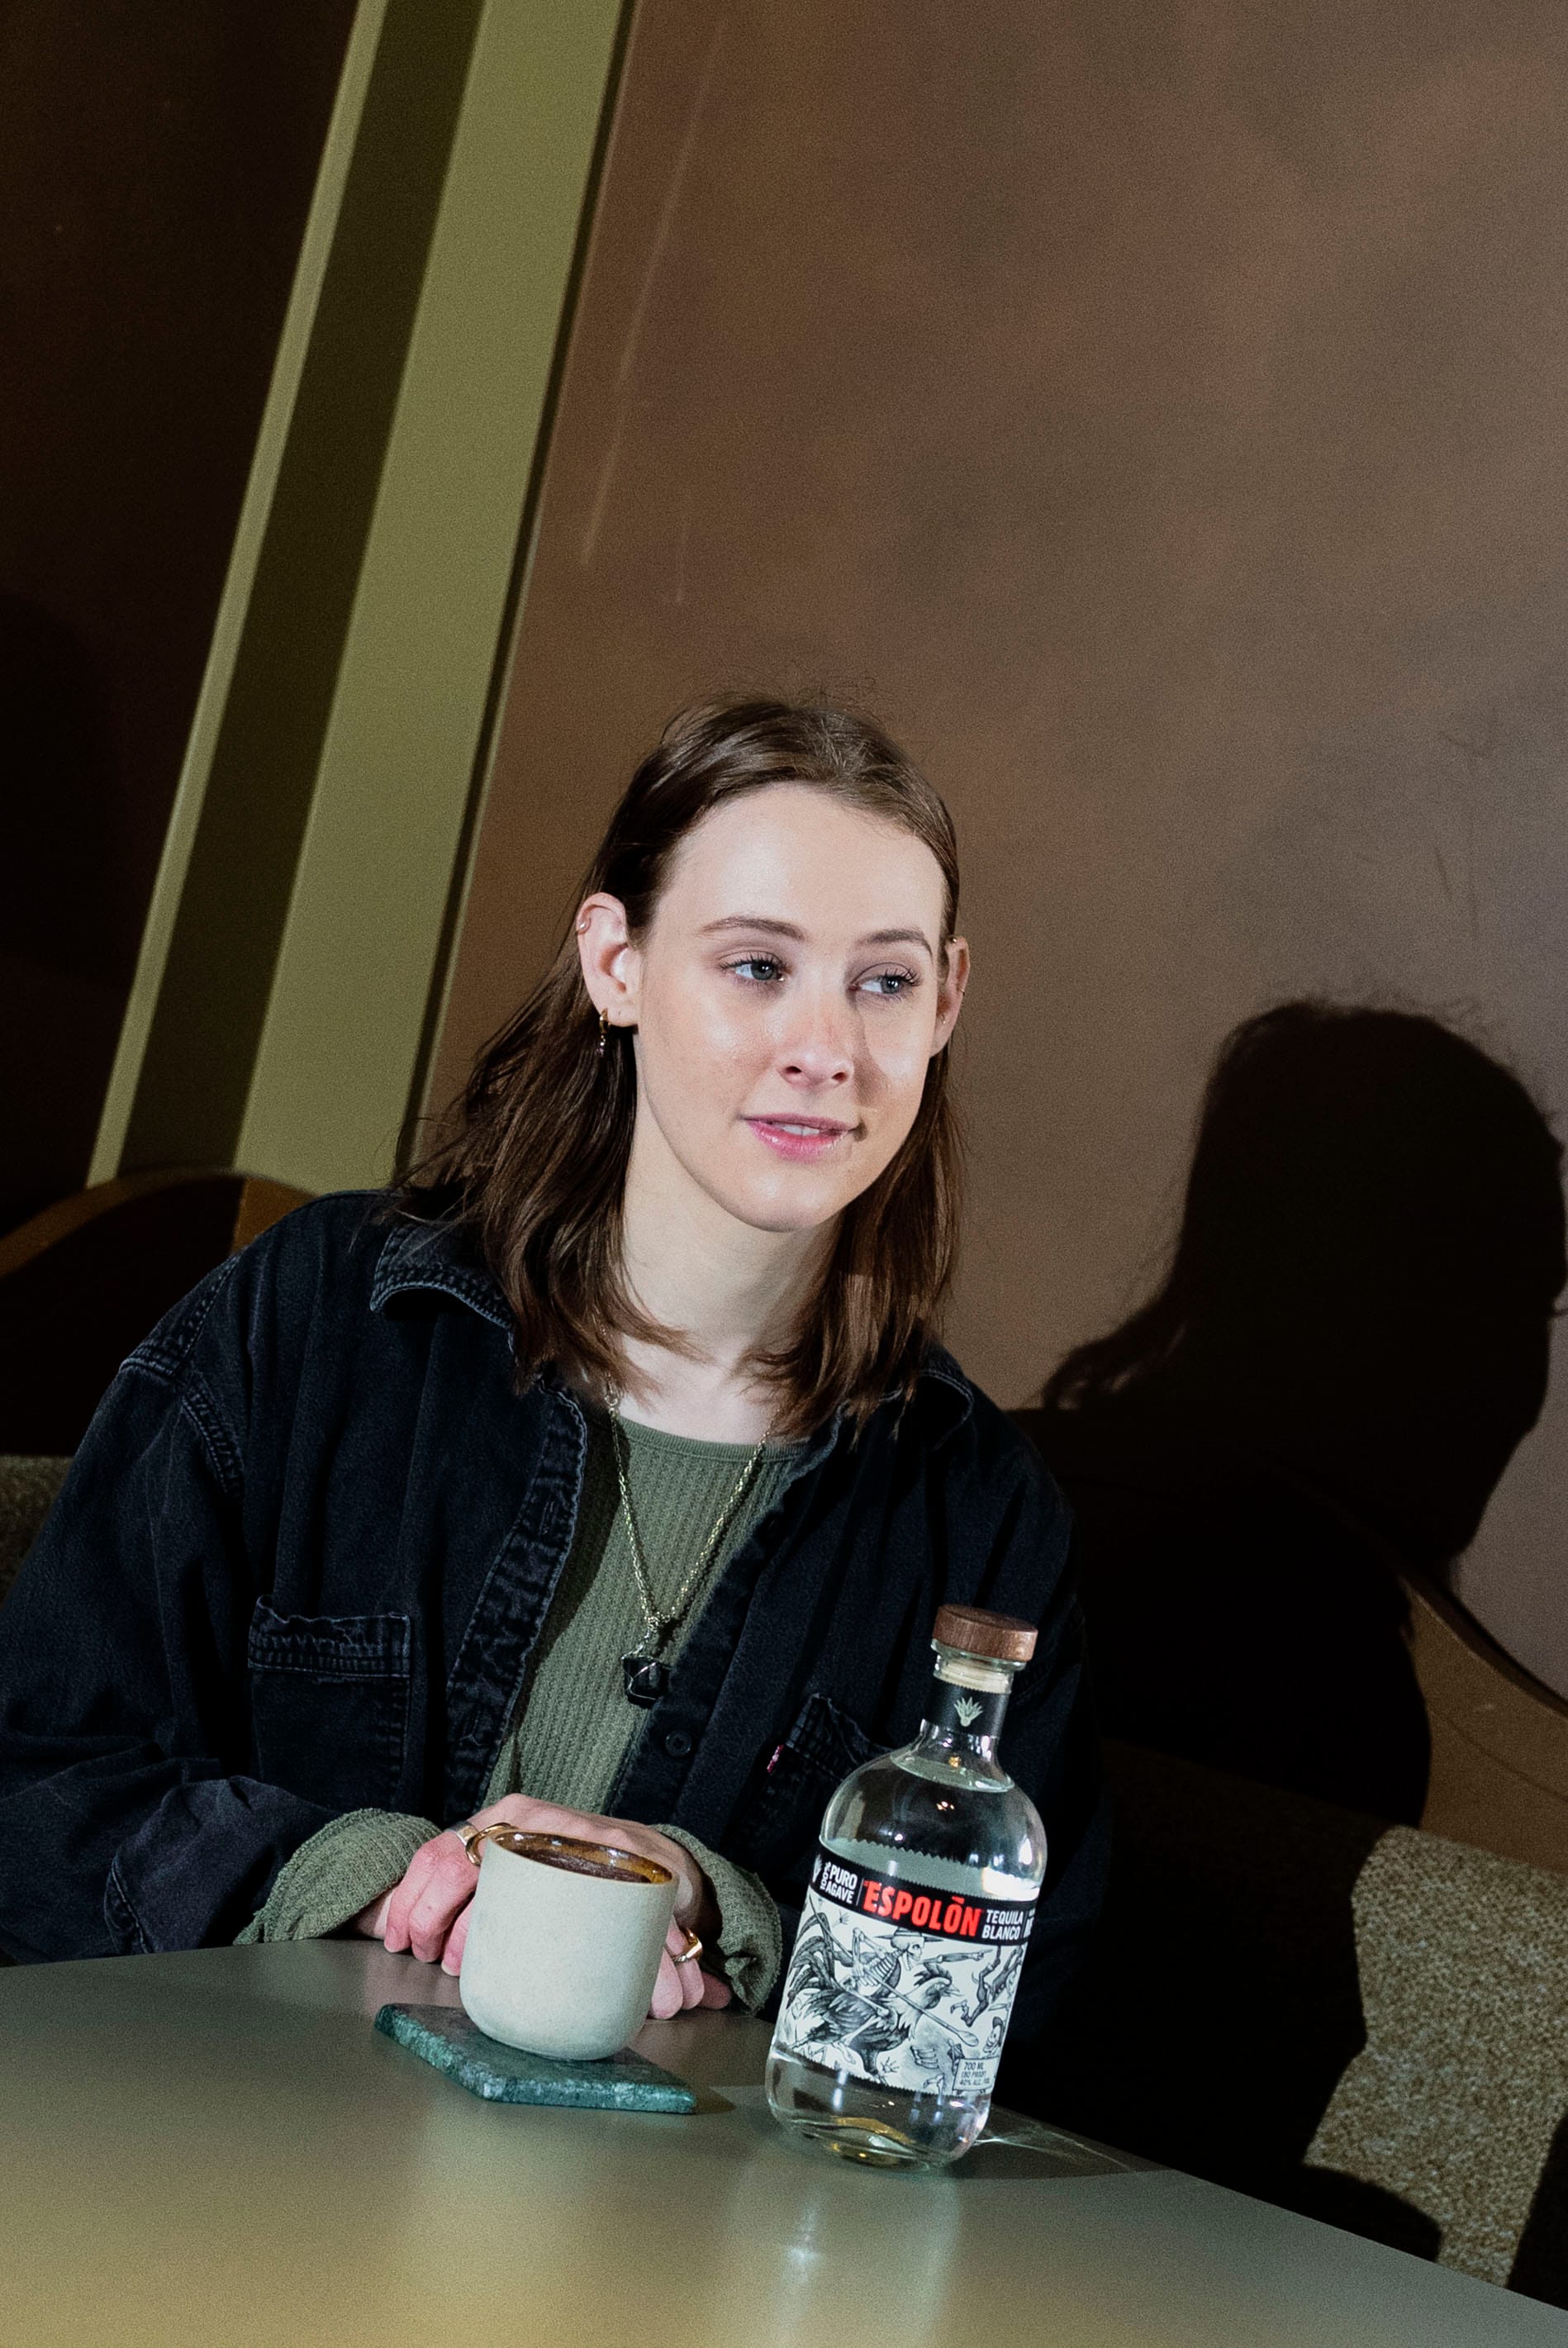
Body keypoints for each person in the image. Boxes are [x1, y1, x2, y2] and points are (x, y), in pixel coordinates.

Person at [0, 696, 1105, 2053]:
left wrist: (712, 1902)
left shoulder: (978, 1515)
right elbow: (35, 1776)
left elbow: (1016, 2011)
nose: (825, 1048)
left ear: (945, 1002)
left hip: (656, 2238)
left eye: (881, 982)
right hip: (201, 2148)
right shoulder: (317, 1320)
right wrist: (374, 1879)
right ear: (615, 962)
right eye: (756, 966)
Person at [1019, 1001, 1566, 1824]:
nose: (1523, 1389)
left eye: (1539, 1307)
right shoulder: (1310, 1651)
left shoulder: (986, 1495)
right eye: (1495, 1298)